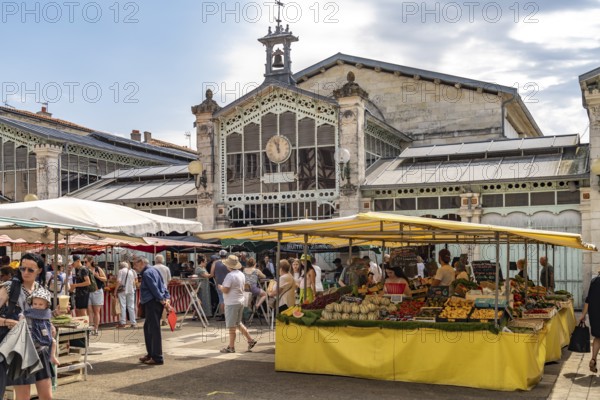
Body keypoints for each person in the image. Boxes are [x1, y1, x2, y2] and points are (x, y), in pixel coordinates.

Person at [0, 253, 56, 400]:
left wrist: (51, 322)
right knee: (23, 397)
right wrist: (7, 322)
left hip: (40, 348)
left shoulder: (41, 289)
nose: (25, 272)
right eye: (23, 268)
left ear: (39, 270)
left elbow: (44, 315)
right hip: (20, 349)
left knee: (47, 396)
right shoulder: (10, 287)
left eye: (30, 270)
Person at [133, 256, 171, 365]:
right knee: (149, 328)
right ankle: (151, 354)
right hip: (155, 301)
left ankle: (157, 357)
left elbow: (154, 288)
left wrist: (163, 300)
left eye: (135, 264)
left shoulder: (147, 273)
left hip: (152, 302)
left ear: (141, 263)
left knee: (153, 329)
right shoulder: (154, 270)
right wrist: (166, 298)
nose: (134, 267)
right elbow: (162, 285)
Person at [218, 255, 258, 354]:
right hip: (240, 301)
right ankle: (250, 340)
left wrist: (220, 287)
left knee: (232, 326)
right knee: (238, 323)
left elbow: (226, 290)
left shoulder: (230, 275)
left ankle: (231, 347)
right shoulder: (240, 273)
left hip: (232, 302)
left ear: (228, 266)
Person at [22, 288, 60, 367]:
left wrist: (55, 315)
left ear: (46, 306)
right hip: (34, 334)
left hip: (45, 334)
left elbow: (51, 316)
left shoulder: (47, 313)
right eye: (35, 304)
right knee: (31, 344)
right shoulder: (30, 311)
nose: (37, 306)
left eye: (40, 304)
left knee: (53, 342)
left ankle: (52, 356)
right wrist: (21, 317)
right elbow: (23, 314)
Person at [579, 269, 600, 374]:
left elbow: (588, 299)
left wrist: (583, 314)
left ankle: (593, 359)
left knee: (597, 337)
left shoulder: (594, 281)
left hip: (595, 314)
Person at [87, 257, 106, 335]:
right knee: (89, 311)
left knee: (96, 311)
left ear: (90, 261)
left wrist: (97, 276)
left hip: (97, 292)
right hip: (88, 292)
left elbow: (105, 279)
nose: (84, 263)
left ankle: (96, 328)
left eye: (85, 262)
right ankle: (91, 328)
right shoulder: (85, 270)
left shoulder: (97, 269)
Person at [116, 261, 137, 329]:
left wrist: (115, 290)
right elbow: (134, 282)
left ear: (121, 266)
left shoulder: (120, 271)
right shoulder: (131, 271)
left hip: (122, 290)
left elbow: (119, 281)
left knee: (123, 306)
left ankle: (123, 322)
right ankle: (133, 322)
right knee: (131, 306)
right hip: (131, 290)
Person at [153, 255, 171, 326]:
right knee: (164, 304)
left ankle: (156, 320)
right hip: (164, 288)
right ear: (162, 260)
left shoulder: (152, 268)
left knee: (154, 305)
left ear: (155, 260)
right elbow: (169, 279)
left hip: (154, 289)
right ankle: (164, 320)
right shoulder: (166, 268)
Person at [212, 250, 229, 321]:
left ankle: (223, 315)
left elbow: (212, 274)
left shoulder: (215, 263)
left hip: (219, 283)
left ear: (219, 255)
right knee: (228, 299)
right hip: (228, 283)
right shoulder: (228, 262)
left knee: (221, 300)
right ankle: (229, 315)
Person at [193, 256, 213, 320]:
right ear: (202, 262)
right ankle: (201, 315)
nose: (206, 262)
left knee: (206, 300)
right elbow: (206, 275)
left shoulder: (203, 268)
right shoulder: (199, 268)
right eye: (205, 261)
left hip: (205, 286)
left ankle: (206, 315)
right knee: (203, 300)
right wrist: (213, 272)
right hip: (201, 286)